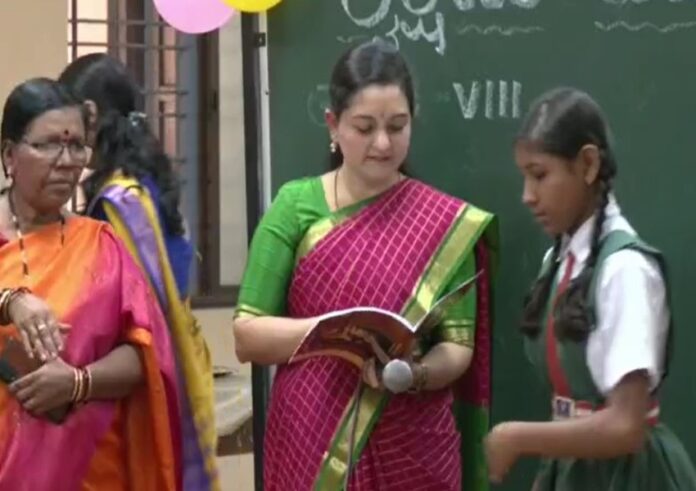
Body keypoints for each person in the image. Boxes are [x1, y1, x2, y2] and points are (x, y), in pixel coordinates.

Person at [233, 39, 497, 490]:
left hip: (413, 445)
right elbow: (248, 334)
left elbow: (458, 347)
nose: (382, 143)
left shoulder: (443, 224)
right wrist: (337, 333)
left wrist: (414, 375)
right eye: (364, 127)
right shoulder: (295, 206)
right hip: (311, 436)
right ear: (333, 125)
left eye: (397, 126)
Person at [484, 87, 696, 490]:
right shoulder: (559, 261)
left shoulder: (625, 270)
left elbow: (625, 426)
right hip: (576, 470)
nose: (527, 196)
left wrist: (518, 438)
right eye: (524, 177)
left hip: (628, 476)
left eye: (540, 175)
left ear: (587, 164)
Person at [0, 78, 182, 490]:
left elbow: (145, 354)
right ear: (10, 154)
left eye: (77, 146)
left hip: (93, 469)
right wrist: (10, 301)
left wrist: (78, 382)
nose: (67, 161)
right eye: (49, 145)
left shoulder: (102, 244)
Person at [58, 54, 218, 490]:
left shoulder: (119, 202)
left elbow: (127, 312)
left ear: (90, 115)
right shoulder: (145, 184)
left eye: (66, 129)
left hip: (138, 380)